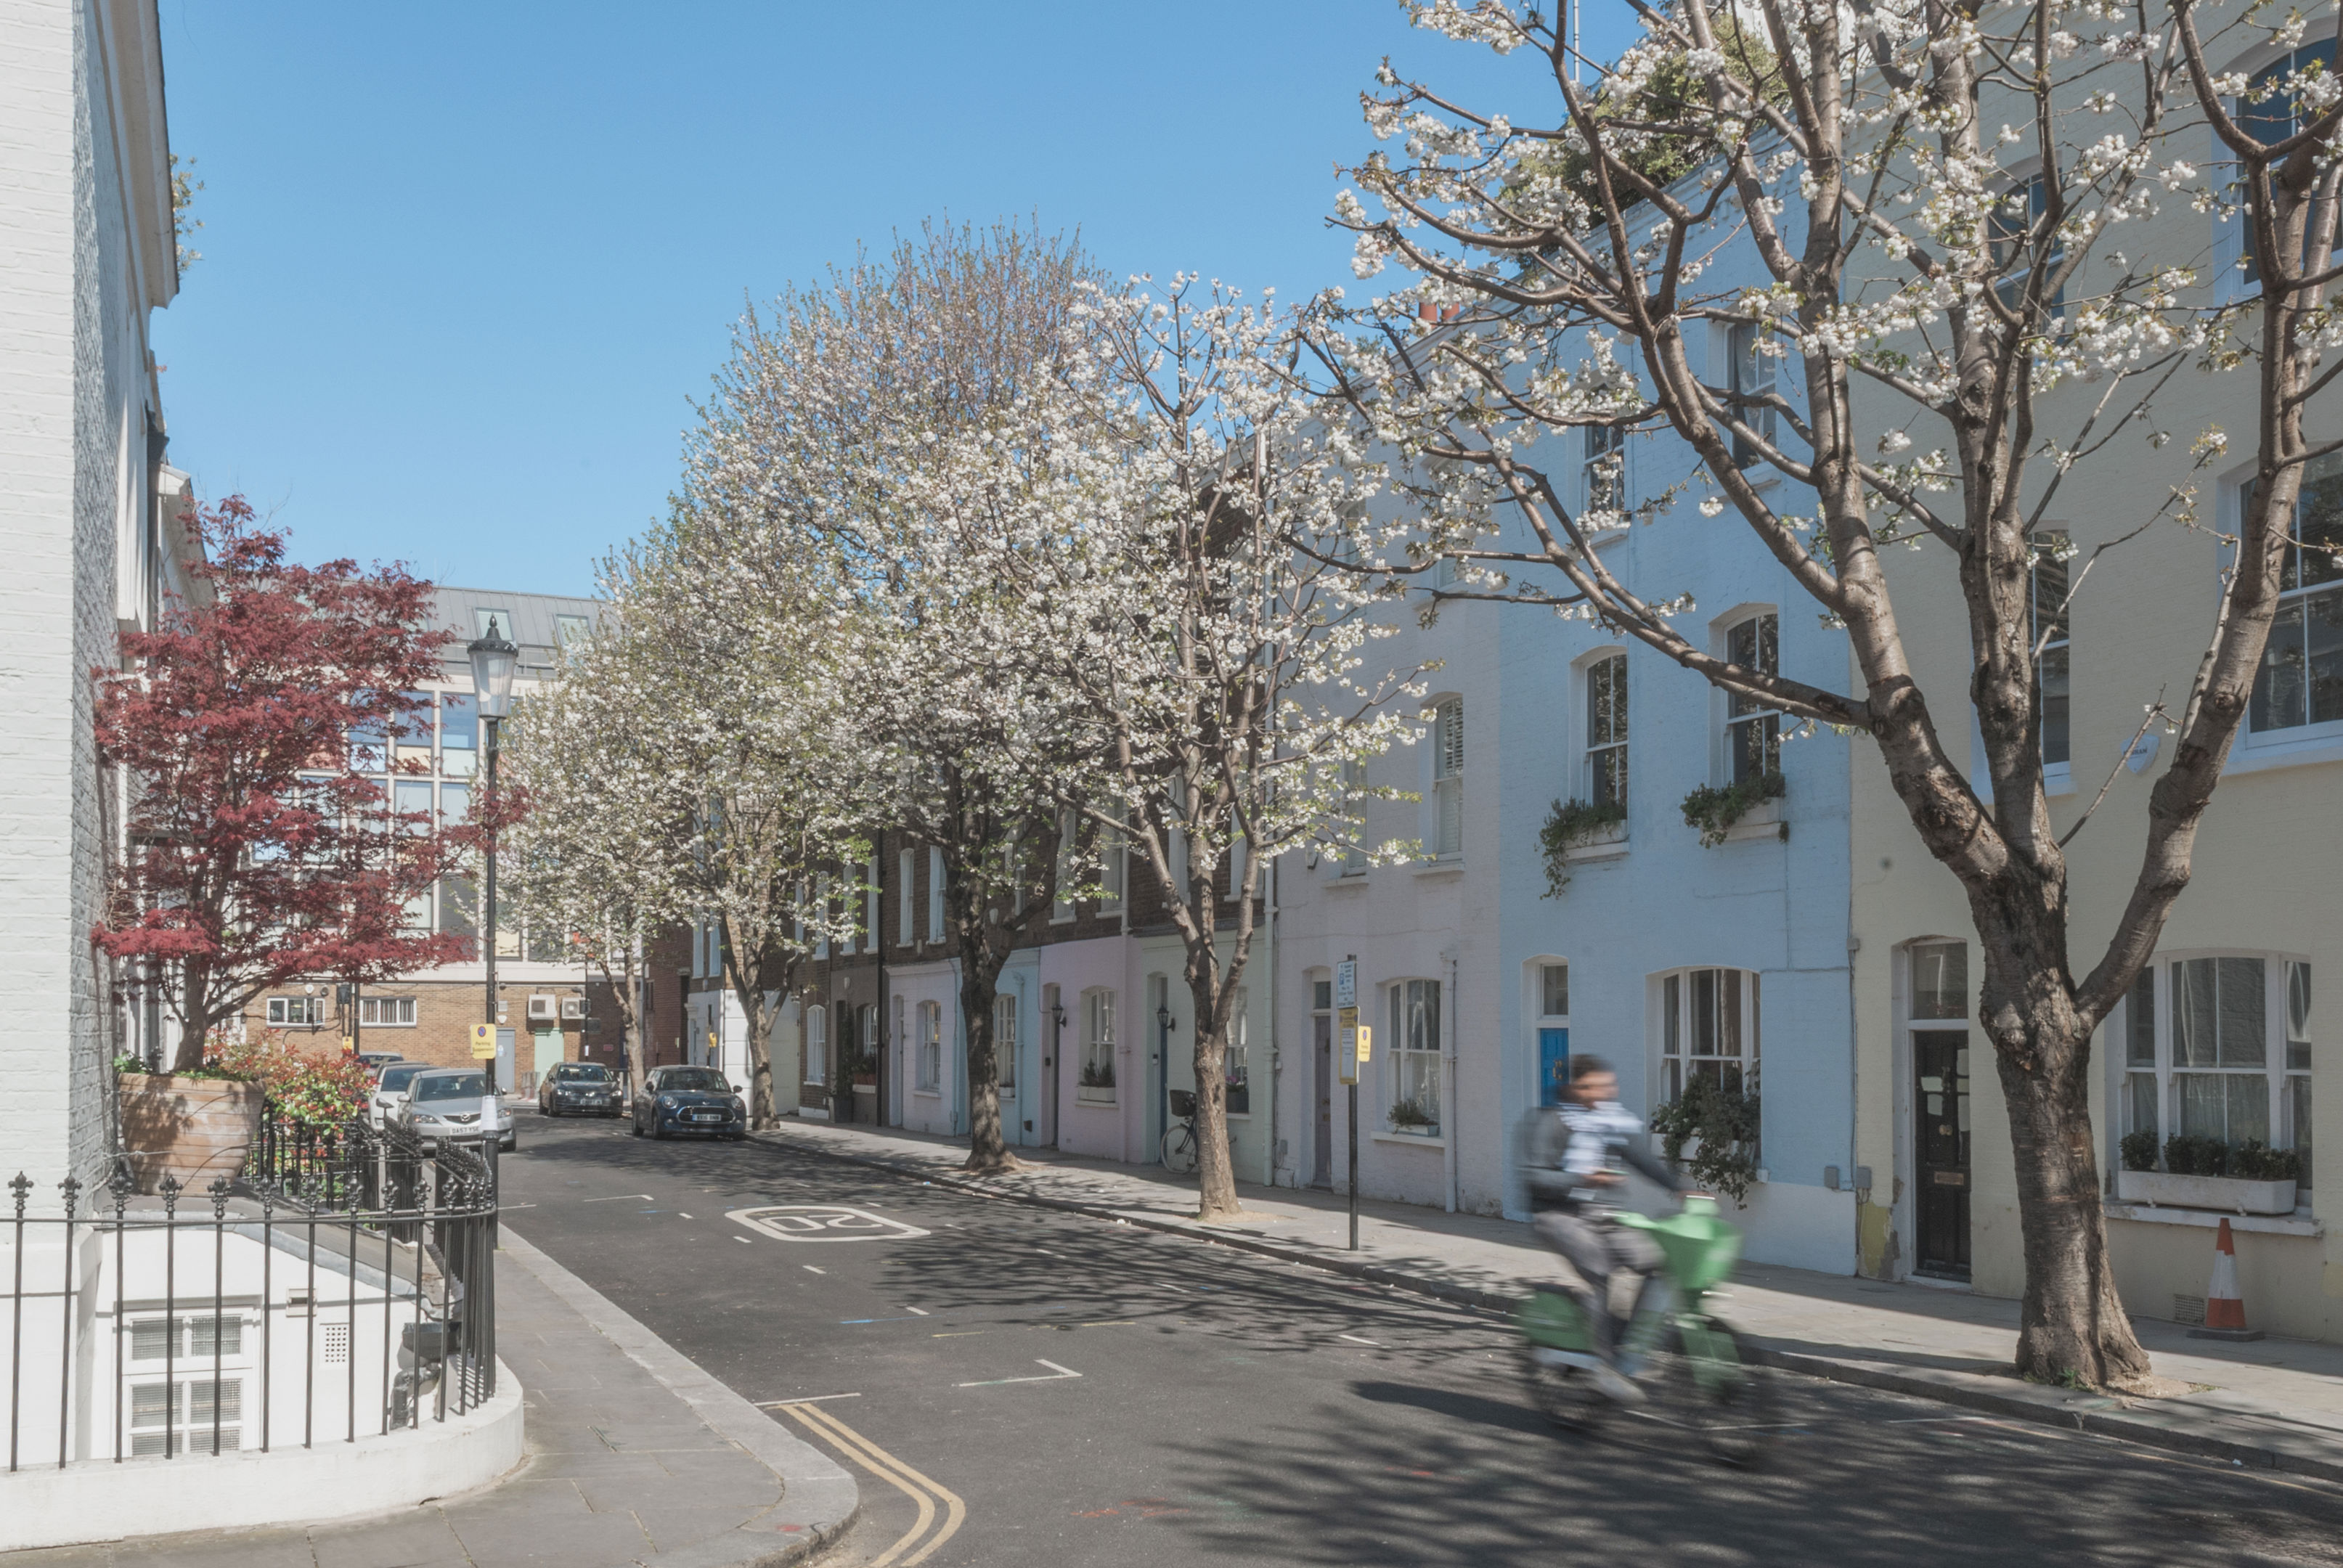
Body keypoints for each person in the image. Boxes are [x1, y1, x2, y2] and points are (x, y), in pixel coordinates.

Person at [1523, 1054, 1698, 1403]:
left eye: (1609, 1085)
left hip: (1602, 1216)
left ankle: (1630, 1348)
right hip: (1558, 1216)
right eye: (1597, 1087)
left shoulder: (1608, 1121)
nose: (1607, 1092)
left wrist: (1678, 1188)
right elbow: (1534, 1177)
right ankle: (1604, 1368)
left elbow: (1640, 1158)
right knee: (1600, 1266)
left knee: (1660, 1262)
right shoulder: (1550, 1121)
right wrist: (1583, 1178)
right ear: (1577, 1087)